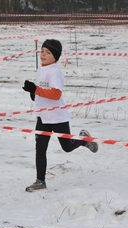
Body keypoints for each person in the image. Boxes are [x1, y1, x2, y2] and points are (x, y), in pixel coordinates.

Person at [22, 39, 99, 192]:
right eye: (42, 51)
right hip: (43, 117)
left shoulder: (54, 71)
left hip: (57, 117)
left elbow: (56, 94)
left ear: (55, 56)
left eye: (48, 52)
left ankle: (83, 140)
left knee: (67, 147)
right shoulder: (41, 69)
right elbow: (41, 92)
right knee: (40, 149)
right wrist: (32, 92)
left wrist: (36, 90)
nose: (43, 54)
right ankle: (40, 181)